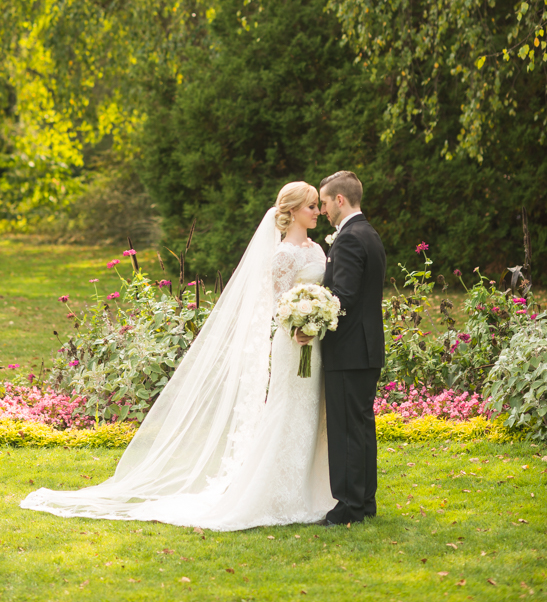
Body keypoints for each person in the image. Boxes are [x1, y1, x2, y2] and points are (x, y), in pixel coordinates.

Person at [20, 181, 334, 530]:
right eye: (310, 207)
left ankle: (312, 490)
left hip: (317, 342)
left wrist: (320, 317)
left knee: (311, 413)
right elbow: (278, 304)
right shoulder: (283, 256)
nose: (317, 212)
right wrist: (298, 324)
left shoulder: (318, 250)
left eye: (317, 206)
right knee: (288, 411)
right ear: (291, 211)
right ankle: (279, 495)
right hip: (295, 344)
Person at [318, 170, 386, 525]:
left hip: (347, 350)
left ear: (340, 200)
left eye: (326, 202)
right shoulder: (370, 234)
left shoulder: (347, 240)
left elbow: (342, 298)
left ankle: (348, 508)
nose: (324, 210)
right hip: (367, 347)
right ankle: (364, 502)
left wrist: (312, 320)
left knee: (347, 428)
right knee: (361, 426)